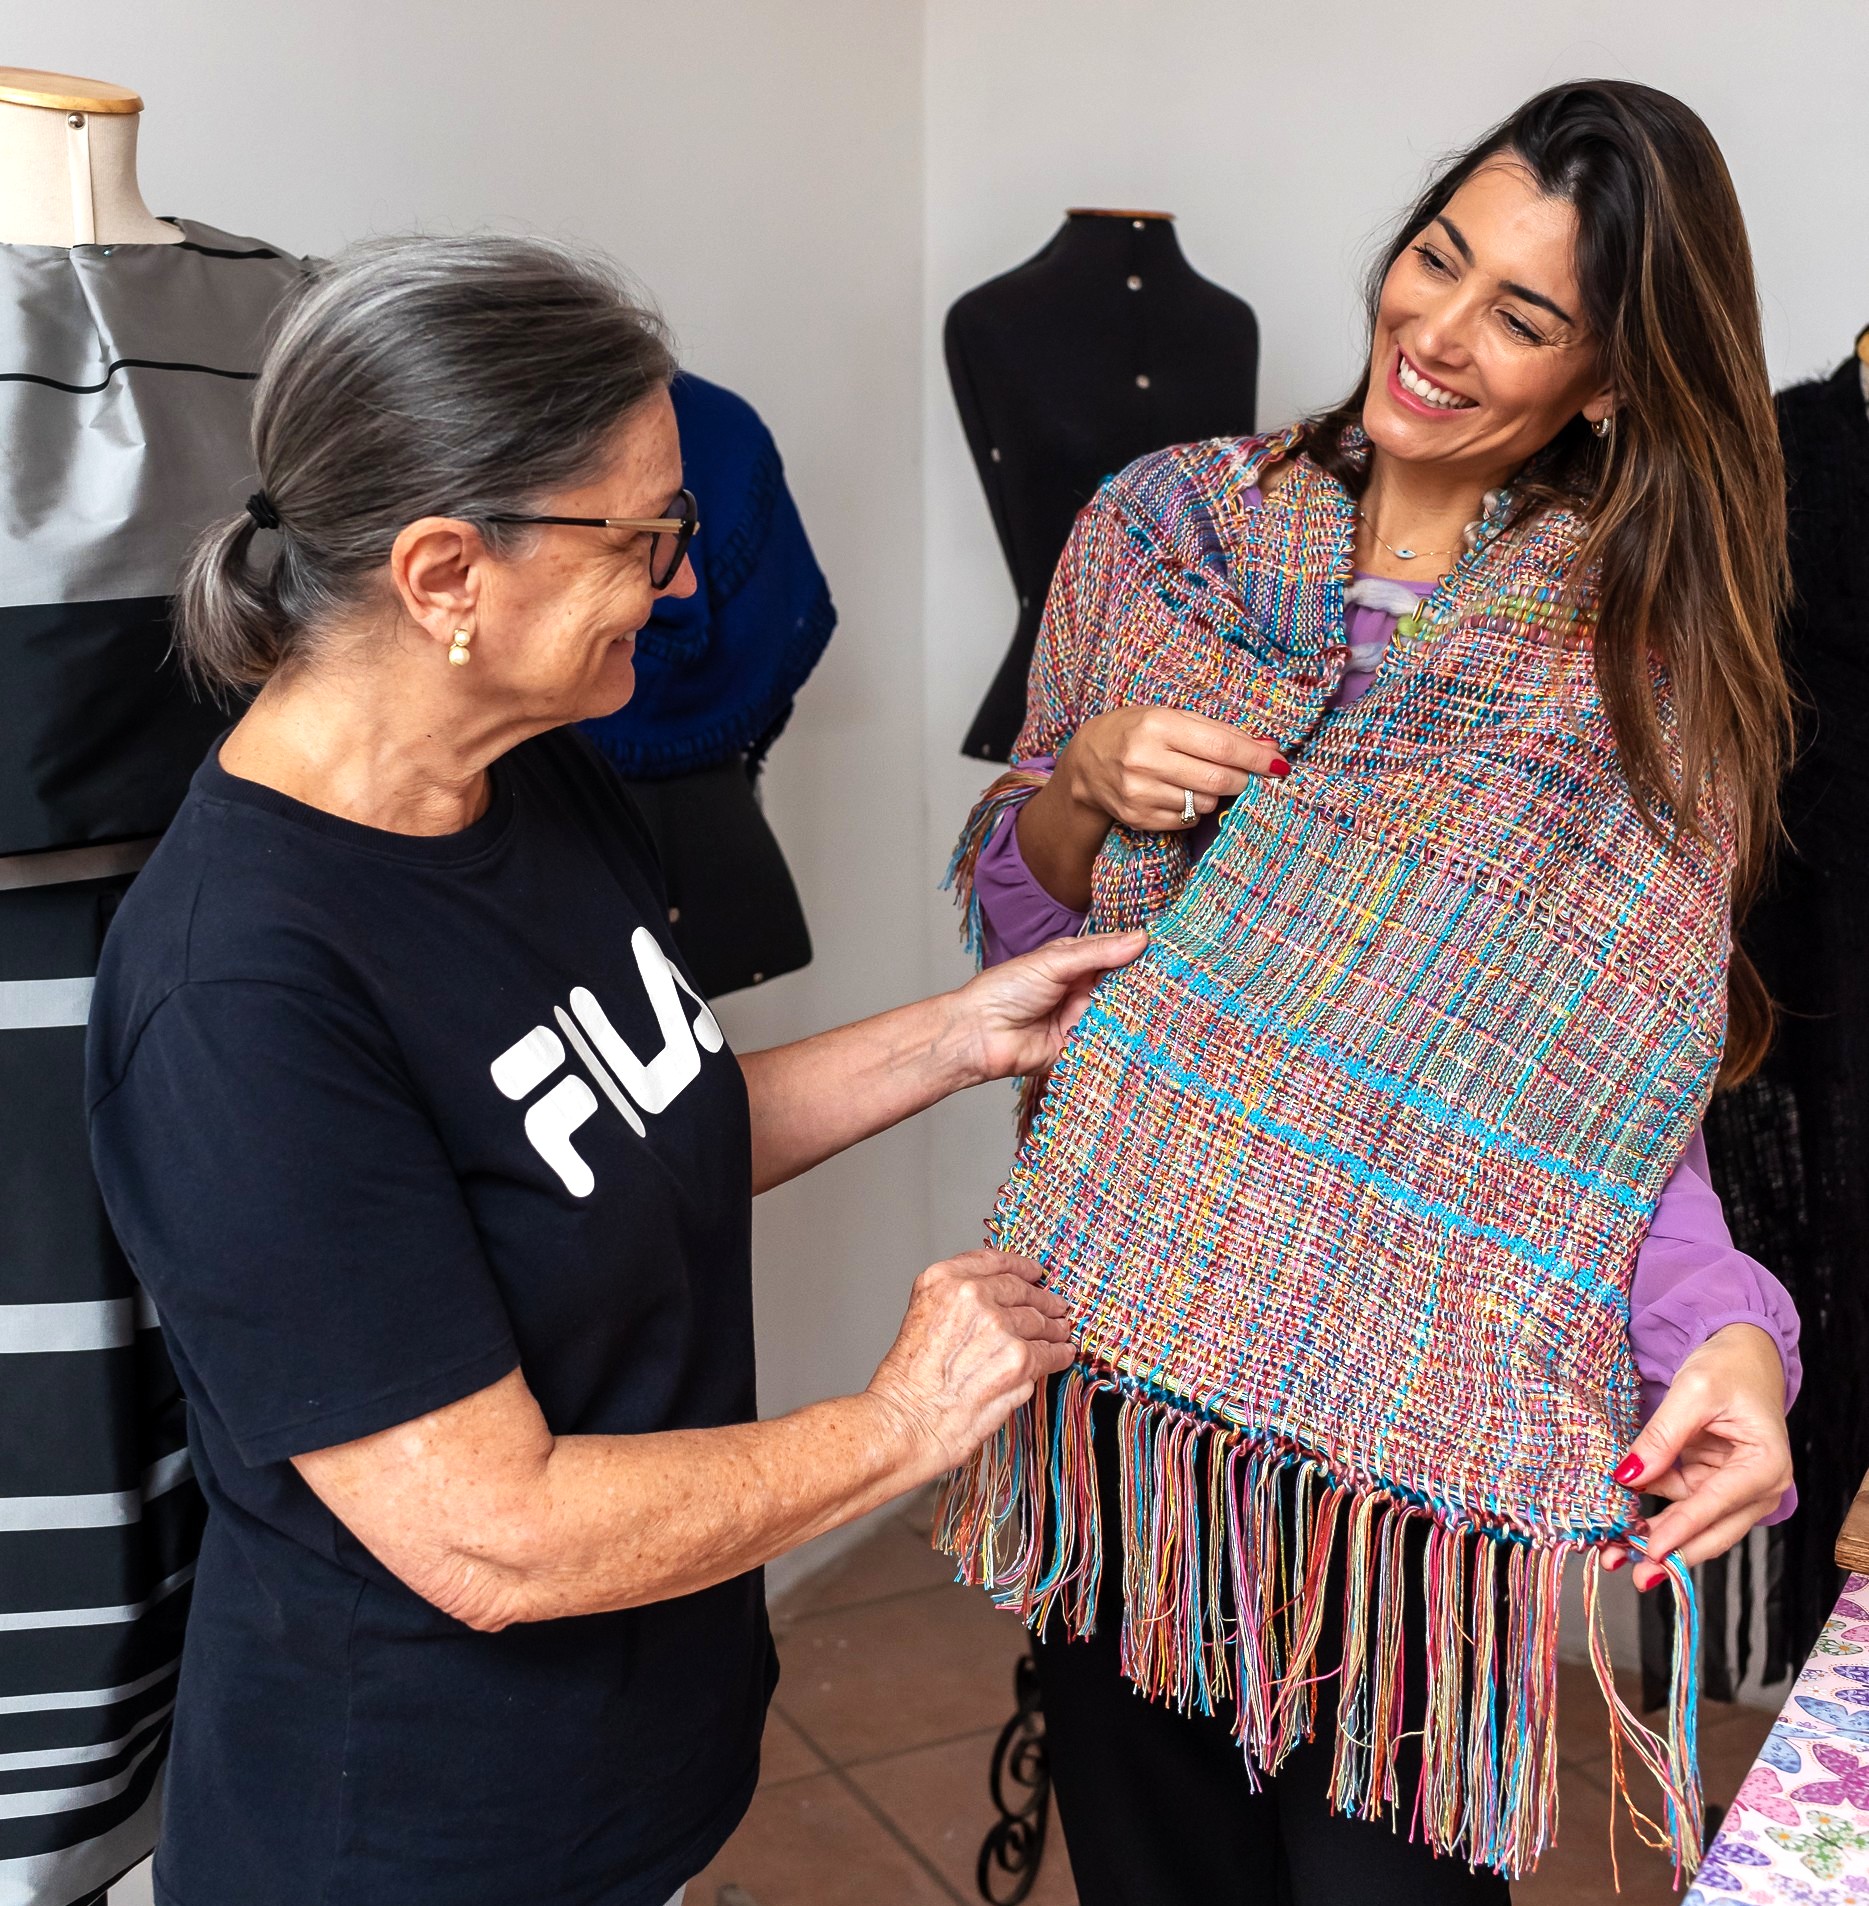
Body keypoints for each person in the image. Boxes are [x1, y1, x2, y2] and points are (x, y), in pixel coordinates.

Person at [83, 235, 1144, 1906]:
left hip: (633, 1755)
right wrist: (899, 1421)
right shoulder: (242, 994)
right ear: (446, 576)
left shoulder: (541, 774)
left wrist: (960, 1032)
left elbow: (638, 1127)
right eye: (642, 540)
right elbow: (490, 1533)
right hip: (412, 1831)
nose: (680, 587)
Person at [949, 81, 1798, 1903]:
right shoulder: (1162, 531)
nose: (1436, 331)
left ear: (1612, 380)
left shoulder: (1630, 661)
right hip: (1131, 1375)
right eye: (1436, 258)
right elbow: (1023, 945)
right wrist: (1081, 781)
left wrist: (1725, 1330)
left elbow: (1614, 1086)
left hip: (1417, 1467)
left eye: (1523, 316)